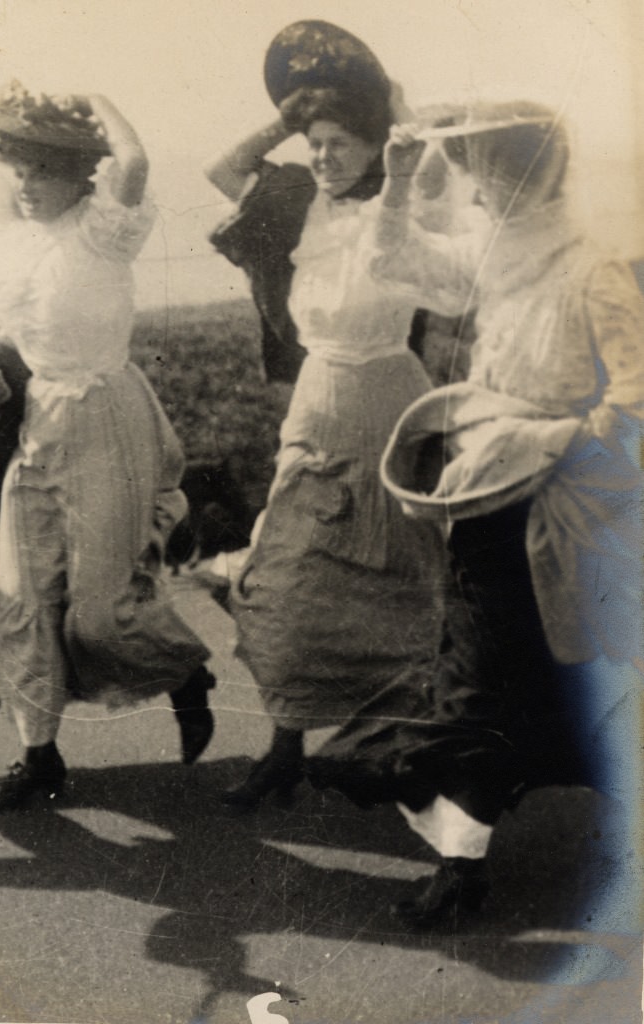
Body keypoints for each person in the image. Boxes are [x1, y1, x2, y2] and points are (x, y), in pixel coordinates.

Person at [307, 101, 644, 923]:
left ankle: (467, 869)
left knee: (517, 682)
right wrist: (397, 178)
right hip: (485, 496)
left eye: (498, 168)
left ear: (542, 174)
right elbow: (395, 260)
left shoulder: (588, 266)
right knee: (482, 679)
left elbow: (634, 396)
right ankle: (462, 869)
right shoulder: (494, 257)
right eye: (472, 169)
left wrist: (560, 444)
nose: (482, 187)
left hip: (561, 506)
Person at [206, 24, 454, 810]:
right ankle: (284, 745)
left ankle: (410, 754)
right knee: (287, 571)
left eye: (338, 142)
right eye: (314, 143)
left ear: (373, 145)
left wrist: (394, 120)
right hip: (317, 399)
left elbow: (426, 168)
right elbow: (223, 169)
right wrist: (294, 113)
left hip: (391, 397)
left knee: (396, 574)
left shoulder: (407, 207)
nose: (322, 157)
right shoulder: (294, 204)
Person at [0, 81, 217, 814]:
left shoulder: (103, 231)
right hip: (39, 421)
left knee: (99, 610)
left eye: (45, 170)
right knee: (16, 591)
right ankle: (39, 755)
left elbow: (132, 162)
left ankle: (182, 673)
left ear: (78, 175)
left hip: (107, 417)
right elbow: (21, 338)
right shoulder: (7, 248)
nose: (28, 186)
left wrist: (96, 97)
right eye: (20, 169)